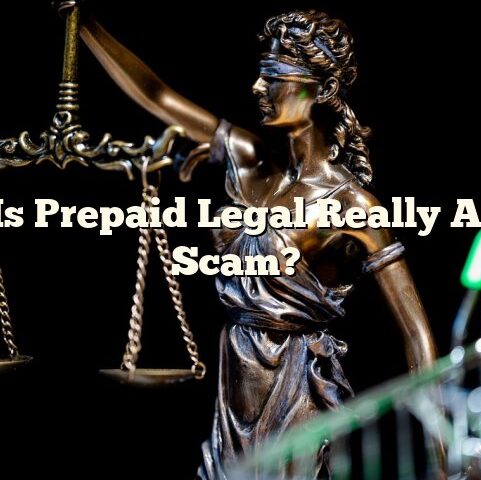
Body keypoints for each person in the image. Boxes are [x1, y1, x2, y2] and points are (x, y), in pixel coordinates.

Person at [81, 10, 438, 478]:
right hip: (235, 386)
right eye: (260, 74)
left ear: (323, 90)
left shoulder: (354, 205)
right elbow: (157, 95)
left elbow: (416, 336)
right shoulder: (249, 162)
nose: (256, 87)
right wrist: (83, 22)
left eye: (274, 77)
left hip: (296, 390)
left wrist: (443, 462)